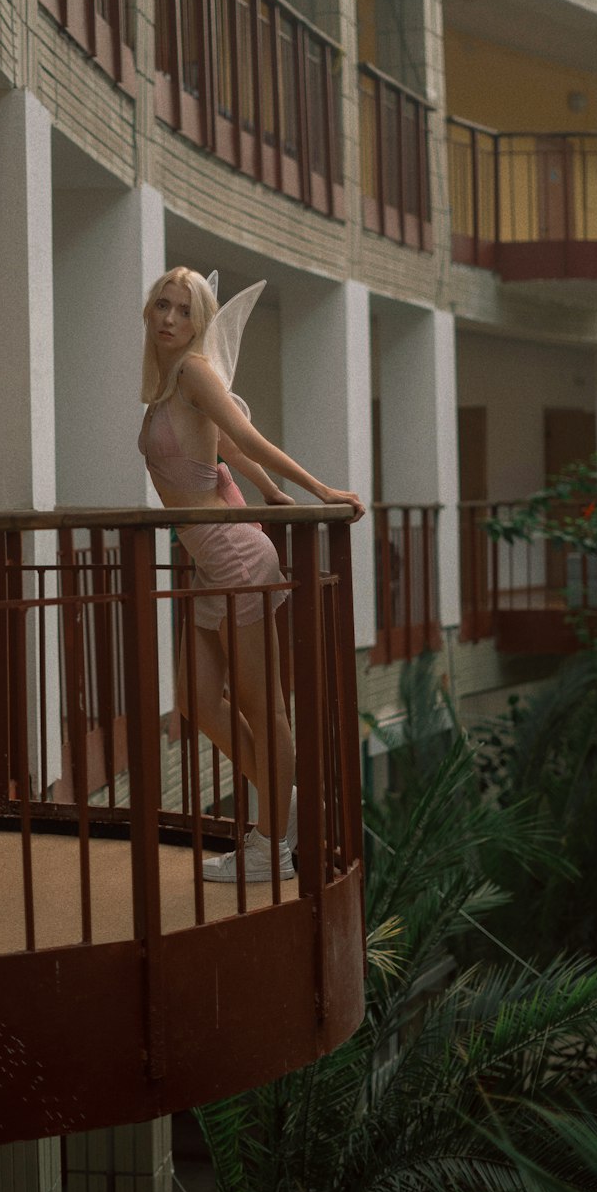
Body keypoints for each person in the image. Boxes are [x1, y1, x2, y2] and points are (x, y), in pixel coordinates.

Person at [138, 267, 365, 883]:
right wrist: (273, 497)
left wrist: (316, 489)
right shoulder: (167, 383)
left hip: (234, 556)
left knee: (266, 711)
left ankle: (270, 850)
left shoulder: (193, 371)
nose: (168, 319)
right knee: (195, 700)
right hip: (212, 561)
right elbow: (228, 454)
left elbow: (245, 435)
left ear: (200, 322)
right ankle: (284, 806)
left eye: (183, 311)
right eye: (162, 305)